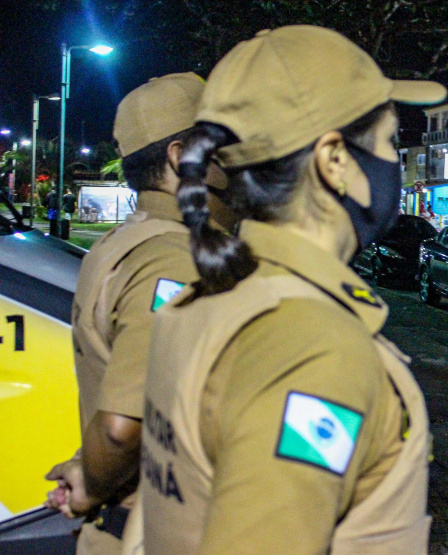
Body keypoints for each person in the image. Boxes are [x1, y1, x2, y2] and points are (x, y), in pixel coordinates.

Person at [140, 26, 445, 554]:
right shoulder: (312, 348)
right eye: (387, 139)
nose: (393, 159)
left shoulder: (212, 296)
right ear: (334, 161)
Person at [43, 73, 234, 555]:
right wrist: (91, 478)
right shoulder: (176, 259)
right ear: (180, 157)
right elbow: (122, 426)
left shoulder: (125, 243)